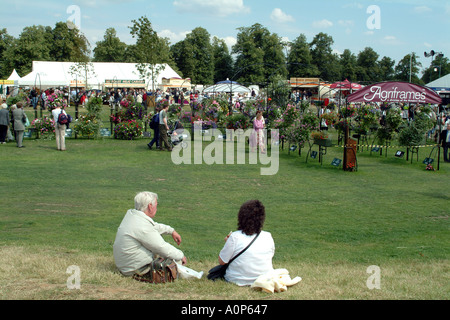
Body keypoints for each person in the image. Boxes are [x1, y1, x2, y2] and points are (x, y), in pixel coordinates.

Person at [113, 192, 187, 278]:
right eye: (156, 204)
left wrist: (171, 231)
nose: (156, 207)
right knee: (175, 260)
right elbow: (161, 247)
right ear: (150, 206)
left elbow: (154, 226)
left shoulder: (133, 216)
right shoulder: (142, 226)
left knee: (165, 255)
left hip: (125, 265)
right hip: (134, 269)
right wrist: (181, 256)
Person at [217, 200, 275, 286]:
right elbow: (270, 255)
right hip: (263, 279)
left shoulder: (234, 237)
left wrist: (227, 242)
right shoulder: (267, 236)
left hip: (236, 279)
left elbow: (222, 261)